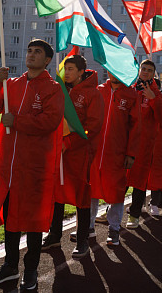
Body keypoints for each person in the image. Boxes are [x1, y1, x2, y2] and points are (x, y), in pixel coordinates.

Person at [0, 39, 64, 290]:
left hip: (35, 167)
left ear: (47, 60)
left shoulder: (52, 88)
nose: (31, 55)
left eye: (37, 52)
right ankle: (9, 267)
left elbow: (50, 122)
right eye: (29, 51)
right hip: (9, 165)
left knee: (33, 220)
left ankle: (30, 271)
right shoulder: (12, 84)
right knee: (11, 218)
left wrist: (15, 120)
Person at [41, 55, 104, 259]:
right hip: (59, 152)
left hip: (80, 153)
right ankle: (54, 234)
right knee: (57, 194)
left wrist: (68, 142)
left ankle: (83, 239)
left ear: (80, 72)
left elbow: (92, 128)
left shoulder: (92, 94)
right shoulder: (60, 90)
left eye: (70, 69)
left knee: (81, 196)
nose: (66, 72)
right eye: (65, 68)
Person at [89, 71, 140, 246]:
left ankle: (114, 229)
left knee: (116, 191)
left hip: (117, 152)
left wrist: (131, 153)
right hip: (95, 151)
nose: (112, 72)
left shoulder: (132, 95)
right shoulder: (99, 90)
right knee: (90, 188)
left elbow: (136, 127)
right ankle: (88, 227)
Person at [126, 60, 162, 227]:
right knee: (120, 179)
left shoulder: (156, 94)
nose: (145, 72)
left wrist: (153, 99)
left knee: (139, 180)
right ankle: (111, 211)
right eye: (143, 69)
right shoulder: (130, 88)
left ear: (153, 74)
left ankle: (134, 215)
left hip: (144, 144)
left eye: (149, 70)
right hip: (126, 140)